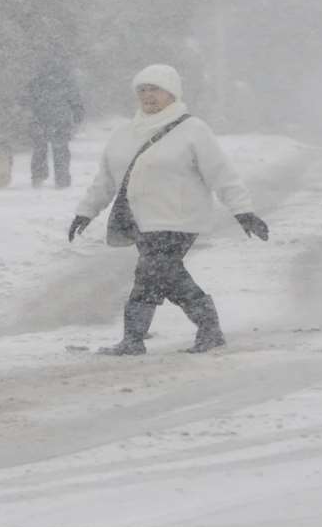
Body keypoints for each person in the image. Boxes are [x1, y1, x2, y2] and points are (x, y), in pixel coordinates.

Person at [67, 63, 270, 355]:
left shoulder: (193, 130)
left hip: (180, 218)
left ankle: (146, 338)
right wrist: (85, 212)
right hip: (142, 221)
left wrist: (243, 211)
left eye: (156, 90)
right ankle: (183, 333)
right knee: (159, 275)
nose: (148, 96)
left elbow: (221, 174)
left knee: (155, 270)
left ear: (172, 94)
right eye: (143, 90)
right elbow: (105, 180)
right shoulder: (125, 134)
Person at [23, 58, 85, 188]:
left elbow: (26, 100)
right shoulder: (66, 82)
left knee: (40, 149)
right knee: (60, 149)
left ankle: (39, 176)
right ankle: (61, 179)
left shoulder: (36, 82)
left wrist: (29, 114)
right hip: (60, 120)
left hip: (41, 119)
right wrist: (78, 112)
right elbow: (75, 99)